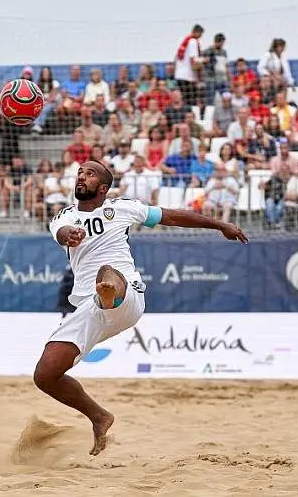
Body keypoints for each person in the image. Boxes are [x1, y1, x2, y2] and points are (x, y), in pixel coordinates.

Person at [42, 160, 248, 455]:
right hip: (89, 306)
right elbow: (61, 232)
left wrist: (220, 225)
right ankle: (100, 417)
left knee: (107, 272)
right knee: (45, 375)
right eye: (79, 173)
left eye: (89, 174)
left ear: (102, 188)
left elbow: (173, 217)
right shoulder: (64, 216)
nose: (81, 176)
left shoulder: (123, 207)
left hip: (127, 296)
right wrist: (68, 235)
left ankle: (108, 292)